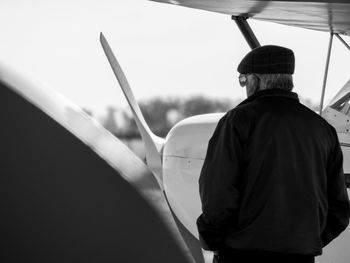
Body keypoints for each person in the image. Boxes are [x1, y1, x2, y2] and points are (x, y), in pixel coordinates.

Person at [196, 45, 350, 263]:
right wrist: (305, 243)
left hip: (242, 254)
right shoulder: (322, 129)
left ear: (256, 80)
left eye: (243, 79)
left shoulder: (237, 121)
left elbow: (218, 195)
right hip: (301, 256)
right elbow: (339, 208)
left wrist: (213, 240)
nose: (244, 86)